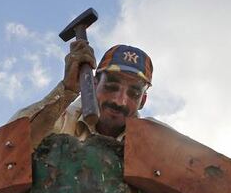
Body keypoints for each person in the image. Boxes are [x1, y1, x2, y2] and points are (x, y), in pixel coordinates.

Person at [10, 41, 153, 146]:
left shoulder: (153, 141)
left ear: (143, 101)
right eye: (111, 87)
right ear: (93, 84)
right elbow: (9, 144)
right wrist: (67, 89)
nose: (119, 101)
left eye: (133, 94)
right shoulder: (60, 120)